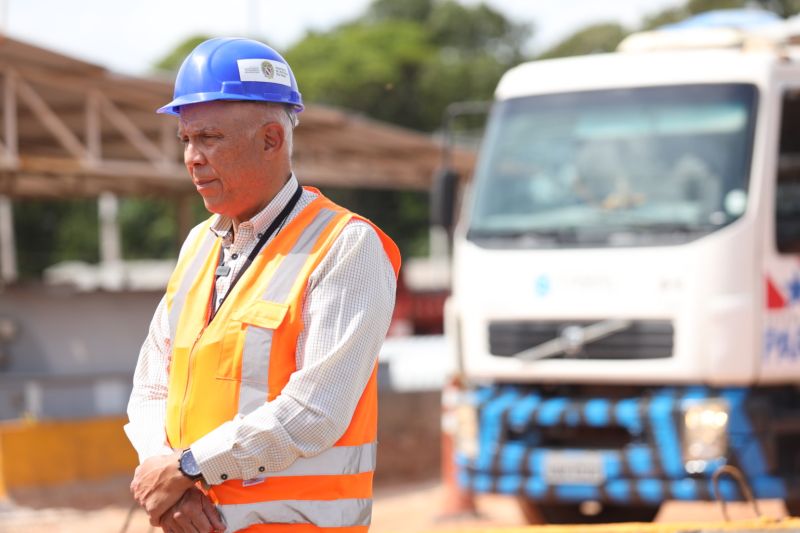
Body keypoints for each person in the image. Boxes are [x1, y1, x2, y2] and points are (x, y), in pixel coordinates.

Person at [125, 37, 400, 533]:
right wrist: (167, 480)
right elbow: (151, 385)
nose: (192, 157)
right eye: (185, 139)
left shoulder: (346, 247)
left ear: (272, 139)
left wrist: (188, 467)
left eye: (208, 137)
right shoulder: (198, 245)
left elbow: (316, 411)